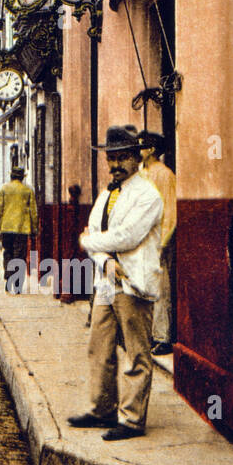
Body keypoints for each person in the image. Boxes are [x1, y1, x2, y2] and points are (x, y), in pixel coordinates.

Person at [68, 125, 163, 441]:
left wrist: (90, 242)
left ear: (136, 158)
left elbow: (127, 237)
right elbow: (93, 234)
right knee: (100, 347)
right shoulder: (107, 193)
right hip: (107, 281)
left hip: (132, 281)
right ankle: (102, 410)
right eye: (111, 159)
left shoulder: (148, 195)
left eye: (122, 158)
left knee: (136, 352)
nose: (115, 165)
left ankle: (132, 419)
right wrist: (103, 258)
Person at [138, 130, 176, 356]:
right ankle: (149, 334)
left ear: (151, 150)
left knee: (161, 289)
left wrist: (162, 242)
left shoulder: (164, 175)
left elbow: (170, 211)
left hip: (158, 242)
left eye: (142, 147)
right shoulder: (143, 174)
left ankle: (163, 337)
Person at [0, 165, 38, 293]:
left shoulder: (4, 189)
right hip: (22, 229)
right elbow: (33, 212)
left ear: (11, 176)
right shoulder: (28, 191)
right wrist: (35, 229)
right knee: (20, 256)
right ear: (22, 177)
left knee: (8, 253)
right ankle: (17, 285)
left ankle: (8, 278)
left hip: (7, 228)